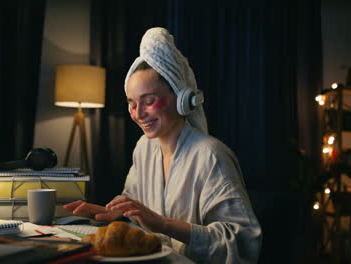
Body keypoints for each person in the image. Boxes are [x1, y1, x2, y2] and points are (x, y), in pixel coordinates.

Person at [63, 27, 261, 263]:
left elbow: (242, 243)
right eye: (132, 103)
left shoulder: (211, 155)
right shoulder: (144, 148)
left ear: (182, 99)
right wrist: (118, 212)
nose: (138, 114)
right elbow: (135, 206)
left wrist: (164, 224)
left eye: (149, 102)